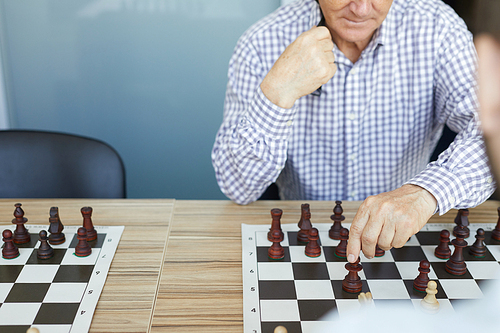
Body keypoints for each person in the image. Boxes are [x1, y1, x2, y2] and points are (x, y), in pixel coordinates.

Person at [211, 0, 496, 262]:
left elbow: (490, 136)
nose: (360, 8)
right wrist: (277, 92)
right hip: (304, 246)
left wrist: (425, 193)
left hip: (402, 245)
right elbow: (238, 186)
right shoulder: (262, 42)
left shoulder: (438, 28)